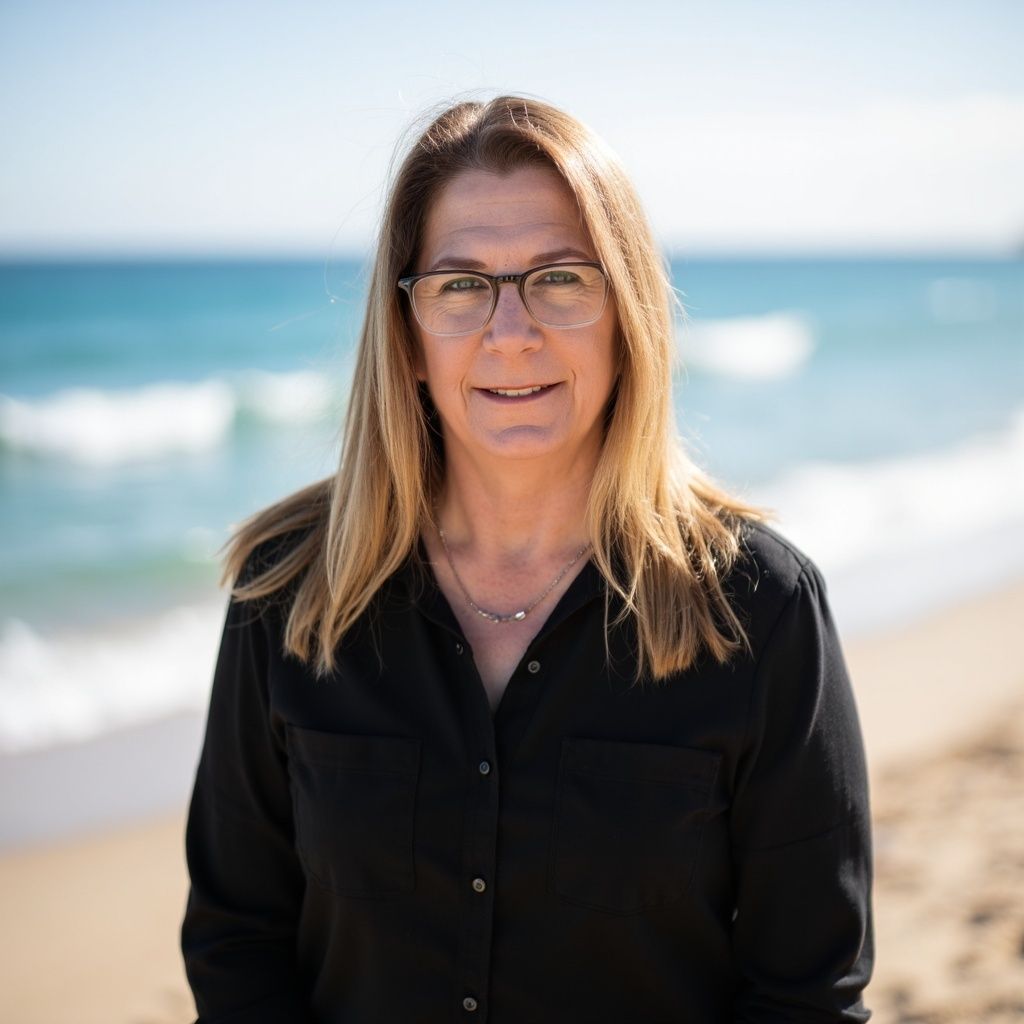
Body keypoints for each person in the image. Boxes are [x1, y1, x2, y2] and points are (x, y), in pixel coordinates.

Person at [181, 95, 873, 1022]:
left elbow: (807, 993)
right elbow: (239, 945)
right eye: (461, 286)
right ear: (409, 336)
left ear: (626, 316)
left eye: (560, 278)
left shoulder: (759, 607)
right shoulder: (289, 590)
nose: (511, 332)